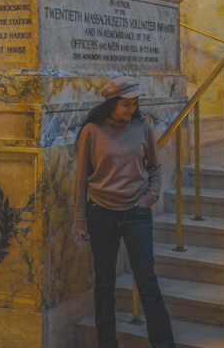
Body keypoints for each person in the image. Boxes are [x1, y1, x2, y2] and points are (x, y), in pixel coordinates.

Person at [74, 77, 175, 348]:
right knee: (104, 284)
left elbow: (154, 168)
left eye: (134, 104)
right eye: (125, 105)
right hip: (101, 213)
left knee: (147, 280)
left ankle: (164, 344)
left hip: (136, 213)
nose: (130, 110)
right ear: (111, 104)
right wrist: (81, 219)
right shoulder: (92, 131)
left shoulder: (142, 127)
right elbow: (82, 176)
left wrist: (150, 198)